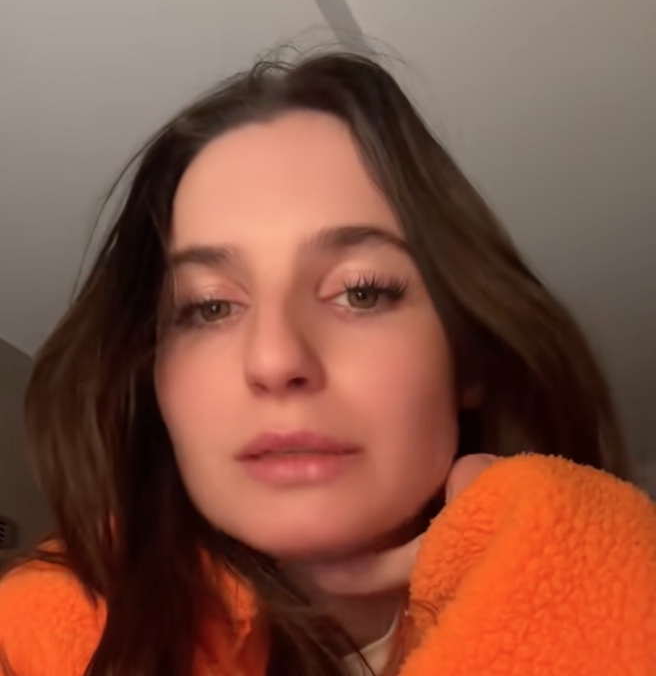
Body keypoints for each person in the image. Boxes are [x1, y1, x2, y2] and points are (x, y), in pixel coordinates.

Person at [0, 51, 655, 676]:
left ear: (469, 357)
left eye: (361, 292)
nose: (275, 358)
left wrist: (550, 557)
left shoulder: (625, 579)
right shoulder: (36, 636)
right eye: (208, 306)